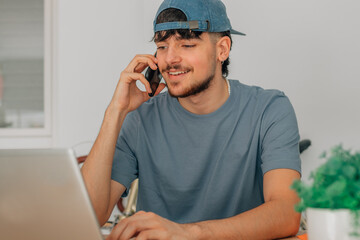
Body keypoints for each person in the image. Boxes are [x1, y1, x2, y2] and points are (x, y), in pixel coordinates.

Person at [81, 0, 302, 239]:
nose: (170, 59)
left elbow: (286, 213)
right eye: (162, 46)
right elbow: (88, 217)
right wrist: (115, 111)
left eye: (187, 44)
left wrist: (188, 233)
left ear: (222, 50)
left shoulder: (269, 109)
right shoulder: (140, 119)